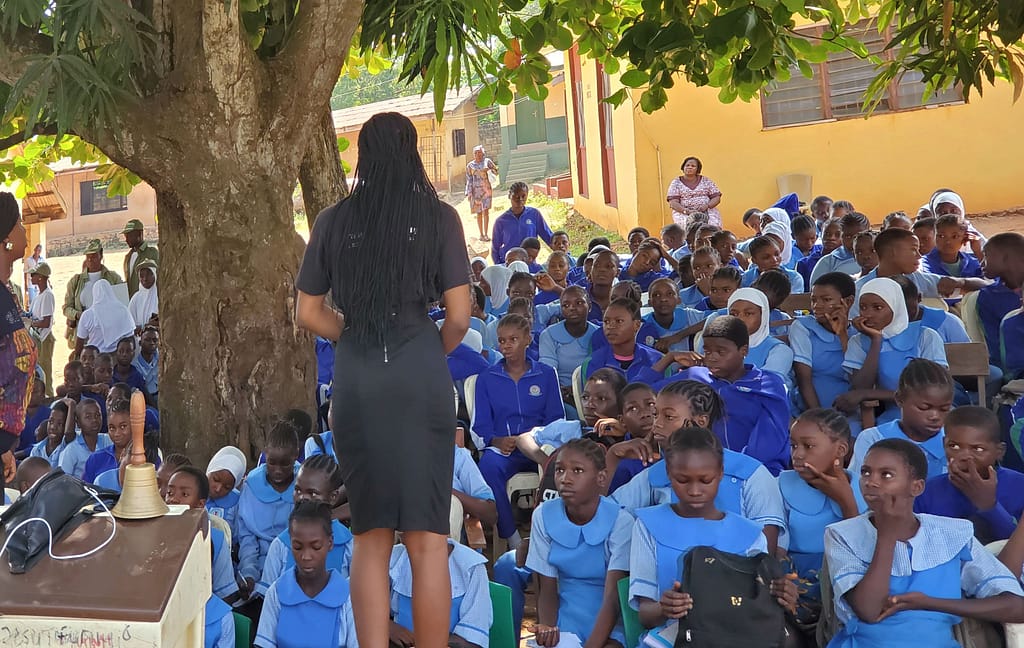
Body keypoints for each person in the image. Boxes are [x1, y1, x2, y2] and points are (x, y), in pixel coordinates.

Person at [294, 113, 471, 648]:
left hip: (358, 381)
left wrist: (351, 336)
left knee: (369, 539)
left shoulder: (332, 221)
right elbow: (459, 317)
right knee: (427, 540)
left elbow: (308, 311)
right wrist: (427, 352)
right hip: (420, 376)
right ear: (412, 152)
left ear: (363, 158)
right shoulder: (440, 217)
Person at [824, 439, 1024, 648]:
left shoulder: (951, 534)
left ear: (917, 487)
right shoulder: (842, 534)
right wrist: (887, 536)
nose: (870, 482)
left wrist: (929, 603)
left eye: (886, 475)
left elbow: (1016, 607)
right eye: (866, 472)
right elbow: (868, 611)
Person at [628, 427, 795, 632]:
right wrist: (663, 608)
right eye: (683, 480)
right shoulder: (649, 525)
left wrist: (781, 595)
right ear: (668, 474)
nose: (694, 491)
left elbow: (759, 607)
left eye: (705, 480)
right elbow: (645, 615)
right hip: (671, 638)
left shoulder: (749, 534)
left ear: (721, 473)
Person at [610, 380, 786, 553]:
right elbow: (606, 514)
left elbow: (765, 547)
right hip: (671, 570)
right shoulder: (657, 473)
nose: (657, 424)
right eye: (656, 415)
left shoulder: (750, 473)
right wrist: (612, 457)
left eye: (669, 417)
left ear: (701, 421)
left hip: (738, 570)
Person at [649, 316, 791, 475]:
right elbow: (641, 393)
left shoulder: (767, 385)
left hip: (757, 473)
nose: (712, 357)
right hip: (698, 474)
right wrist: (669, 358)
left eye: (720, 352)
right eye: (707, 351)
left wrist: (729, 472)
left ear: (743, 351)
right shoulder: (695, 377)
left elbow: (767, 445)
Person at [527, 439, 633, 648]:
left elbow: (612, 599)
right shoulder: (543, 515)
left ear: (601, 477)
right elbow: (546, 588)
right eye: (559, 470)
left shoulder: (620, 521)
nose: (565, 479)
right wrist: (549, 630)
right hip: (565, 615)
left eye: (577, 470)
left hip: (611, 621)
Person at [473, 313, 564, 547]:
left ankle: (552, 536)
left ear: (527, 339)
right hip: (506, 451)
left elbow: (557, 419)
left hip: (540, 448)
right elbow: (480, 425)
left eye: (513, 339)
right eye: (501, 340)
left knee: (561, 466)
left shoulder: (546, 374)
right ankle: (512, 538)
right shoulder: (487, 378)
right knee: (488, 467)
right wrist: (496, 440)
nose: (506, 346)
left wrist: (539, 440)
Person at [780, 408, 864, 634]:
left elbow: (861, 550)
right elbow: (776, 549)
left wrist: (846, 500)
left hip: (841, 572)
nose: (797, 454)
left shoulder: (865, 488)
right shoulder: (780, 484)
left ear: (841, 450)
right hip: (793, 575)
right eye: (793, 445)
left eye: (808, 446)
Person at [839, 278, 948, 424]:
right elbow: (859, 388)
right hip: (888, 417)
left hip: (928, 415)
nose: (868, 314)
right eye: (863, 307)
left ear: (895, 307)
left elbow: (933, 391)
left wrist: (867, 393)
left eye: (877, 308)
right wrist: (876, 341)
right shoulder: (859, 341)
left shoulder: (925, 336)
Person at [255, 501, 358, 648]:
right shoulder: (277, 592)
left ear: (330, 543)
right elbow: (264, 644)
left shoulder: (347, 597)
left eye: (316, 547)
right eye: (298, 547)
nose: (306, 556)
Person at [914, 406, 1024, 544]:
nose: (964, 456)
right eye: (954, 446)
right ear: (944, 444)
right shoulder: (926, 492)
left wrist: (989, 506)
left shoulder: (1019, 486)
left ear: (999, 451)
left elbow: (1018, 545)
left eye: (978, 449)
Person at [258, 455, 353, 597]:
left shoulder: (349, 546)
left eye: (313, 493)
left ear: (333, 497)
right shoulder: (280, 545)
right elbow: (268, 597)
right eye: (298, 490)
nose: (302, 498)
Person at [849, 359, 956, 481]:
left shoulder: (954, 443)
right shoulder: (872, 439)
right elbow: (857, 486)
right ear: (899, 399)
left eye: (944, 409)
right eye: (924, 408)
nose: (935, 416)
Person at [388, 535, 492, 648]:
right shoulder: (393, 558)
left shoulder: (471, 566)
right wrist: (388, 627)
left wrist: (422, 643)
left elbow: (472, 640)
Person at [237, 421, 301, 599]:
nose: (278, 471)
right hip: (259, 564)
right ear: (265, 453)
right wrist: (249, 572)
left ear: (296, 455)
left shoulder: (304, 486)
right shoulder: (251, 486)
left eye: (285, 464)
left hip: (296, 562)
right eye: (272, 463)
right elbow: (247, 537)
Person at [0, 192, 33, 490]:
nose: (25, 230)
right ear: (7, 237)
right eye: (20, 224)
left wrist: (4, 446)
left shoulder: (6, 292)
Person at [790, 273, 856, 414]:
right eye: (813, 300)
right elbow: (804, 380)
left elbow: (858, 381)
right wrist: (821, 419)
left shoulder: (858, 333)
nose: (817, 306)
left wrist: (843, 335)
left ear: (848, 301)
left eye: (826, 300)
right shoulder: (804, 327)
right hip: (811, 411)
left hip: (850, 411)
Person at [583, 298, 666, 383]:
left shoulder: (656, 360)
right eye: (606, 321)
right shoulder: (594, 362)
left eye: (619, 321)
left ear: (636, 325)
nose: (610, 326)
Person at [538, 286, 600, 399]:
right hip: (560, 395)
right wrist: (562, 391)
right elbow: (548, 372)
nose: (572, 308)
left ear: (590, 306)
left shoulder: (599, 334)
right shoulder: (549, 334)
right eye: (566, 305)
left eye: (579, 303)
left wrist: (577, 389)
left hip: (594, 394)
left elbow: (603, 372)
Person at [62, 239, 123, 349]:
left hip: (107, 332)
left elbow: (122, 303)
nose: (90, 260)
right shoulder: (76, 281)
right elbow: (66, 308)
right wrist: (77, 314)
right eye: (88, 256)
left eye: (94, 256)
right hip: (84, 332)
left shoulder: (113, 278)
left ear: (101, 255)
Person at [491, 182, 553, 264]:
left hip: (529, 263)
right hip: (509, 264)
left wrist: (562, 253)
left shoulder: (534, 214)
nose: (520, 199)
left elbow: (548, 236)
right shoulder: (501, 221)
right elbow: (495, 248)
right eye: (516, 196)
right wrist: (499, 265)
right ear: (509, 196)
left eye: (523, 196)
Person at [74, 279, 136, 355]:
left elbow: (79, 344)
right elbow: (131, 337)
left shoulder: (88, 315)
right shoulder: (123, 310)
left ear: (94, 293)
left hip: (95, 357)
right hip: (117, 356)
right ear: (110, 291)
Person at [809, 212, 871, 284]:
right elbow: (816, 289)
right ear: (841, 236)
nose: (853, 241)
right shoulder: (828, 262)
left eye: (858, 236)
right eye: (848, 236)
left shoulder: (877, 258)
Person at [82, 397, 131, 484]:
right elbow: (85, 490)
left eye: (123, 426)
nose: (117, 433)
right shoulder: (95, 459)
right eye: (112, 428)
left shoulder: (148, 455)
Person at [58, 397, 109, 479]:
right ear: (78, 422)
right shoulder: (72, 449)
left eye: (97, 415)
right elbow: (62, 480)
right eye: (88, 417)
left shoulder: (108, 440)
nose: (94, 420)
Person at [666, 156, 722, 227]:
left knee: (713, 225)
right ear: (683, 167)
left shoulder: (706, 180)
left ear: (697, 169)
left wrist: (707, 206)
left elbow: (716, 197)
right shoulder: (676, 182)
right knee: (687, 226)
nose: (690, 167)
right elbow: (673, 203)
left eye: (693, 166)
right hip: (683, 212)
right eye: (687, 165)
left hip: (707, 210)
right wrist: (686, 211)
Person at [207, 445, 247, 542]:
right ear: (209, 471)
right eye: (216, 480)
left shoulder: (237, 502)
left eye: (227, 487)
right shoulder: (193, 491)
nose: (218, 489)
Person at [26, 262, 55, 395]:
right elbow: (31, 315)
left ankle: (48, 396)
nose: (31, 277)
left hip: (44, 339)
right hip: (37, 338)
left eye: (34, 274)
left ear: (41, 277)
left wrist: (31, 323)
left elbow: (46, 322)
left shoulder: (47, 295)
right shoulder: (39, 295)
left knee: (45, 372)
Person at [466, 146, 499, 242]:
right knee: (479, 213)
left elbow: (496, 171)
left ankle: (486, 234)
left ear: (483, 153)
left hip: (486, 190)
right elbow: (469, 180)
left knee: (486, 212)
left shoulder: (487, 162)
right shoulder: (470, 166)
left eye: (479, 152)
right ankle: (481, 234)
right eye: (475, 153)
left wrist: (489, 170)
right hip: (476, 192)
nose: (478, 154)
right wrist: (469, 193)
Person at [122, 218, 160, 297]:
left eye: (130, 236)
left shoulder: (151, 253)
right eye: (126, 236)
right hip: (133, 300)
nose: (126, 240)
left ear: (140, 234)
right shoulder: (128, 257)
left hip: (148, 298)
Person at [30, 400, 68, 468]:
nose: (53, 427)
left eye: (60, 424)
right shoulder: (37, 450)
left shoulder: (67, 450)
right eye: (51, 421)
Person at [128, 258, 159, 333]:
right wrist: (146, 326)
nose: (145, 279)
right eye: (141, 276)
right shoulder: (136, 298)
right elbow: (129, 325)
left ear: (155, 274)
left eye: (148, 275)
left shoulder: (160, 296)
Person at [134, 326, 159, 402]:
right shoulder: (135, 364)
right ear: (140, 343)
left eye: (155, 340)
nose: (152, 343)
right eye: (147, 340)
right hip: (143, 399)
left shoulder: (161, 359)